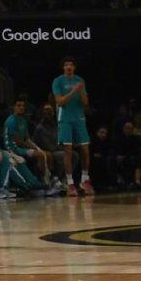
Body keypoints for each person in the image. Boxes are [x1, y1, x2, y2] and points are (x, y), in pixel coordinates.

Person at [52, 57, 92, 196]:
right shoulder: (58, 81)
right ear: (63, 67)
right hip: (65, 119)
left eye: (71, 65)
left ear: (74, 67)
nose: (69, 67)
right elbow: (60, 101)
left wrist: (80, 91)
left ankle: (84, 179)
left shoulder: (80, 80)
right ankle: (70, 183)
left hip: (79, 118)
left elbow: (85, 102)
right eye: (66, 65)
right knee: (68, 151)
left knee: (85, 150)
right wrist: (73, 91)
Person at [3, 97, 60, 194]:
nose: (21, 108)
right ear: (14, 107)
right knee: (41, 155)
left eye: (23, 106)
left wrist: (37, 148)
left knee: (48, 154)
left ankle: (50, 179)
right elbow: (18, 141)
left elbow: (27, 139)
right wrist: (34, 149)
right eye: (18, 106)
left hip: (22, 147)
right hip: (13, 149)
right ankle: (43, 182)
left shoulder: (23, 120)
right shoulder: (11, 121)